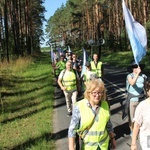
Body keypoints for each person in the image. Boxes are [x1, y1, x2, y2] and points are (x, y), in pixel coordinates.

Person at [68, 79, 116, 150]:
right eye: (94, 92)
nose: (97, 95)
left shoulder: (105, 105)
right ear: (89, 93)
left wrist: (112, 139)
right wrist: (71, 147)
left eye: (100, 92)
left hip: (104, 146)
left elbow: (108, 125)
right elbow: (72, 130)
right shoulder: (79, 106)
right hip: (88, 147)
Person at [123, 63, 147, 136]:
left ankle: (139, 129)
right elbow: (132, 83)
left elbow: (146, 87)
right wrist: (137, 74)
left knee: (141, 116)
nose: (136, 69)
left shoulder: (143, 76)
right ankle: (132, 131)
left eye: (137, 67)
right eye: (134, 67)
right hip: (132, 99)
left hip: (141, 99)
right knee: (132, 117)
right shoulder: (130, 76)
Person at [131, 79, 150, 150]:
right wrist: (133, 144)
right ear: (147, 91)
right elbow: (136, 125)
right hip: (147, 138)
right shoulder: (142, 106)